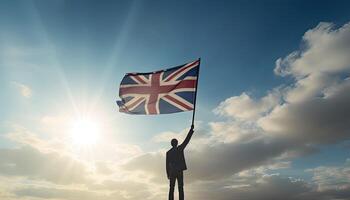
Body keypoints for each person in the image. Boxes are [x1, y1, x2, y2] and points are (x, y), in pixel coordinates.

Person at [166, 125, 194, 200]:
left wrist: (168, 174)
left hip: (172, 172)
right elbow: (186, 140)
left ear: (171, 144)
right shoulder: (179, 148)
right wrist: (191, 130)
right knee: (180, 187)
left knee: (172, 188)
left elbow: (167, 165)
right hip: (178, 171)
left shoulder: (168, 152)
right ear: (177, 143)